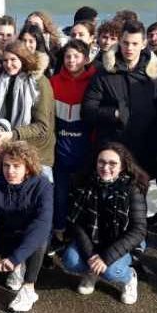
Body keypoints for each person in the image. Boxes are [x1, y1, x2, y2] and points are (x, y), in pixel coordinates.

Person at [60, 143, 148, 304]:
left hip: (122, 241)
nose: (105, 167)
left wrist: (106, 258)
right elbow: (76, 223)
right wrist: (91, 254)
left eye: (112, 163)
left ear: (122, 166)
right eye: (101, 162)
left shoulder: (132, 189)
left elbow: (139, 230)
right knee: (70, 261)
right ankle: (93, 272)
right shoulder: (84, 183)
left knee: (111, 272)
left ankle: (129, 277)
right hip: (93, 239)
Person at [0, 140, 53, 312]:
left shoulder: (43, 186)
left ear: (27, 168)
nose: (10, 171)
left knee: (40, 237)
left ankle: (29, 288)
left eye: (16, 166)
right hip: (8, 236)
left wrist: (15, 257)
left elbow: (41, 225)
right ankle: (17, 265)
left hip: (32, 238)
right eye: (6, 165)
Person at [82, 20, 157, 177]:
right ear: (119, 42)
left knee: (138, 198)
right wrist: (114, 114)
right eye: (125, 43)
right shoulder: (104, 72)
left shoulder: (153, 73)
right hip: (112, 149)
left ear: (144, 44)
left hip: (143, 150)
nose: (129, 48)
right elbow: (87, 111)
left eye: (134, 43)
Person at [0, 41, 56, 180]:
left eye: (13, 60)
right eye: (5, 60)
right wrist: (0, 133)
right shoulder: (3, 80)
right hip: (10, 152)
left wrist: (12, 134)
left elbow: (42, 127)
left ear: (23, 59)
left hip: (37, 155)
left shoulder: (39, 82)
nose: (8, 64)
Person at [50, 39, 96, 240]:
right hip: (60, 151)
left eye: (76, 56)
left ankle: (81, 237)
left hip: (85, 151)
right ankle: (58, 234)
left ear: (86, 59)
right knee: (59, 196)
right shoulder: (54, 82)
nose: (71, 60)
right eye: (68, 56)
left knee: (83, 196)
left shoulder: (95, 81)